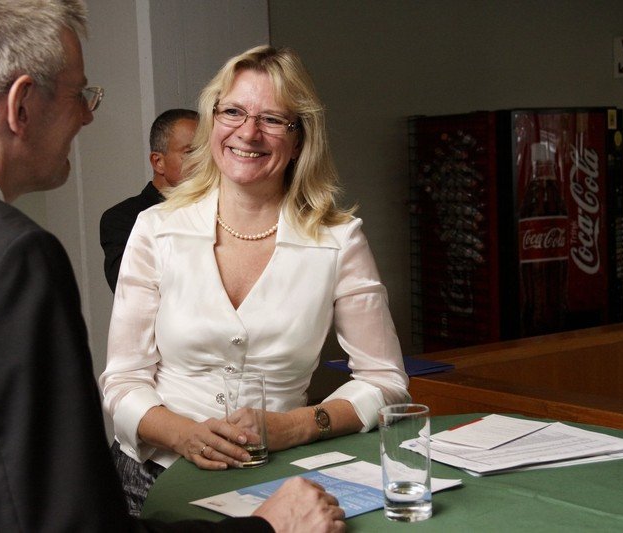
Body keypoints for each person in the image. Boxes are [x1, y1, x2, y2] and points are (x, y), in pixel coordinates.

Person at [0, 2, 345, 532]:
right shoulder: (11, 256)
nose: (88, 116)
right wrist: (267, 528)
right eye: (80, 95)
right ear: (21, 104)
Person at [100, 44, 410, 514]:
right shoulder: (155, 228)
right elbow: (123, 380)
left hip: (279, 479)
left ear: (299, 138)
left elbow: (385, 380)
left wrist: (296, 426)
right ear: (212, 122)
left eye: (272, 119)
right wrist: (184, 435)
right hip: (150, 481)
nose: (248, 132)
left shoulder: (339, 239)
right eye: (233, 112)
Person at [100, 109, 198, 292]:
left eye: (207, 152)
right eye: (191, 152)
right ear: (158, 162)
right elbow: (130, 291)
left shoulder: (220, 209)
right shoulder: (122, 218)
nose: (203, 161)